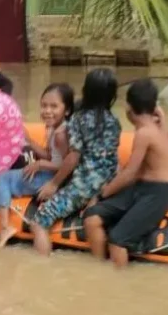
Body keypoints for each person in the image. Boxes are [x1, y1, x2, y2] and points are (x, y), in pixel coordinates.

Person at [83, 79, 168, 268]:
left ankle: (118, 283)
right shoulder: (156, 127)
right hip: (142, 188)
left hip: (157, 193)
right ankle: (99, 269)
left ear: (128, 107)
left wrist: (102, 194)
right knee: (92, 217)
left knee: (118, 239)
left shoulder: (144, 134)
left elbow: (129, 173)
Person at [31, 68, 121, 256]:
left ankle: (41, 268)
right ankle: (94, 199)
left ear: (86, 91)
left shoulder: (78, 120)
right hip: (109, 182)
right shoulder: (115, 122)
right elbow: (111, 156)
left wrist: (54, 184)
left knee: (39, 221)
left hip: (84, 186)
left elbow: (73, 156)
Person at [0, 83, 74, 247]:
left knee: (2, 177)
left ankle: (4, 226)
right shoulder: (55, 128)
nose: (47, 110)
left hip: (54, 179)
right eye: (44, 105)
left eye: (54, 106)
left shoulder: (61, 134)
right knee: (13, 174)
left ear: (67, 110)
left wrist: (40, 164)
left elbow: (68, 165)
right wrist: (29, 140)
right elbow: (51, 156)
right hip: (51, 174)